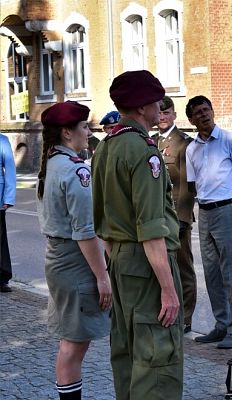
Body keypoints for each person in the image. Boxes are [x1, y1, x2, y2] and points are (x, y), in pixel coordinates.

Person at [91, 70, 183, 399]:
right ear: (143, 107)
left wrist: (116, 261)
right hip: (148, 265)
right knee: (157, 358)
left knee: (127, 353)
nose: (160, 107)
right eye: (156, 102)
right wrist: (168, 289)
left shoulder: (106, 146)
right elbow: (151, 230)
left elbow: (100, 218)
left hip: (119, 260)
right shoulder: (145, 152)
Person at [36, 101, 112, 400]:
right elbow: (85, 232)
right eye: (84, 127)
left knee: (71, 342)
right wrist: (102, 276)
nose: (89, 132)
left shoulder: (53, 162)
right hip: (74, 263)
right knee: (74, 345)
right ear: (67, 133)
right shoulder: (76, 170)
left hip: (58, 259)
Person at [185, 95, 232, 349]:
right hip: (205, 212)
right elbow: (193, 184)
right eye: (198, 113)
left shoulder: (230, 140)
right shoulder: (191, 149)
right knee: (212, 273)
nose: (204, 115)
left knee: (231, 272)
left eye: (206, 109)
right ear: (191, 119)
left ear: (212, 111)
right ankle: (221, 325)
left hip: (226, 208)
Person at [153, 95, 197, 334]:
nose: (162, 117)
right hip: (157, 216)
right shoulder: (150, 142)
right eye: (159, 113)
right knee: (162, 266)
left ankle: (186, 317)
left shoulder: (183, 143)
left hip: (176, 217)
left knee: (183, 267)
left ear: (174, 115)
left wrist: (182, 217)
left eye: (166, 113)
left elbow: (187, 184)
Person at [0, 133, 15, 293]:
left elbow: (9, 168)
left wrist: (9, 197)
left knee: (0, 239)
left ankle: (2, 276)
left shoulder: (2, 140)